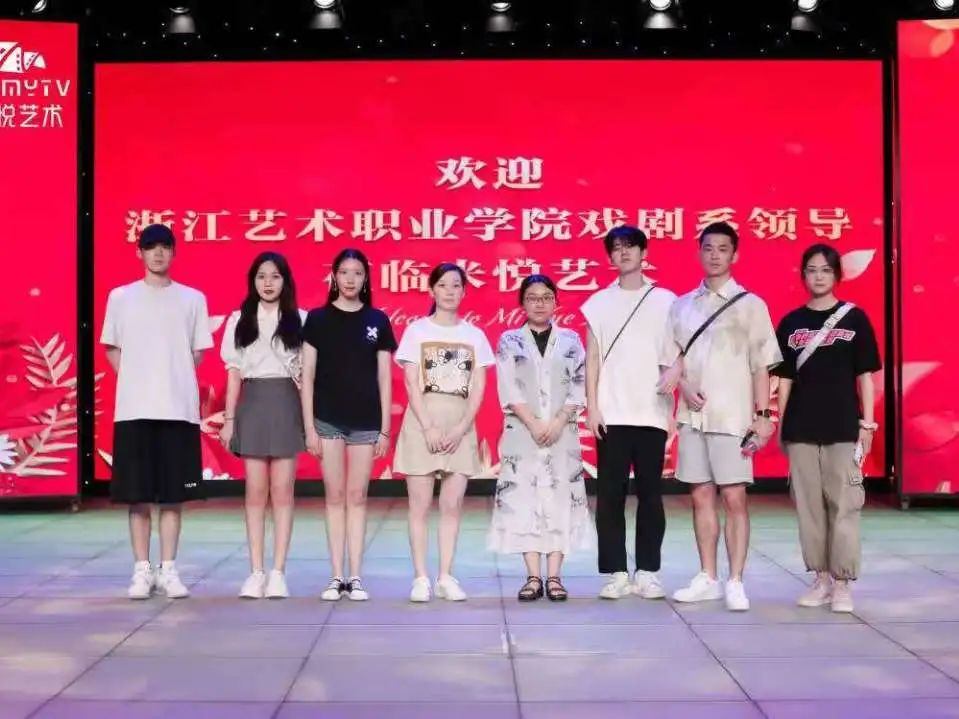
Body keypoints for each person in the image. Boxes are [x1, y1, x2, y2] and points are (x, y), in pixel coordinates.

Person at [667, 221, 782, 612]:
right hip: (693, 417)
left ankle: (735, 580)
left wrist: (763, 415)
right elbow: (672, 360)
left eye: (722, 249)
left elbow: (762, 364)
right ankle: (708, 576)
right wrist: (683, 387)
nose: (714, 255)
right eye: (708, 248)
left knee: (734, 497)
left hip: (733, 418)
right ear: (699, 252)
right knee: (700, 496)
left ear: (735, 254)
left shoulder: (751, 305)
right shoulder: (682, 305)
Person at [100, 223, 213, 600]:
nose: (158, 253)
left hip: (178, 410)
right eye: (151, 247)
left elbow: (197, 352)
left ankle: (168, 569)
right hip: (134, 410)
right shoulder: (121, 297)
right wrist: (139, 378)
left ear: (174, 252)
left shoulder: (192, 299)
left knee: (172, 496)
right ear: (140, 253)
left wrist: (170, 377)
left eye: (165, 246)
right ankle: (141, 570)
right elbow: (112, 347)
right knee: (138, 496)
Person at [774, 243, 881, 613]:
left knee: (845, 504)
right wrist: (782, 423)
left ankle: (842, 582)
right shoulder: (791, 322)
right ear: (802, 275)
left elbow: (865, 376)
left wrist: (867, 424)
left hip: (843, 427)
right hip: (801, 428)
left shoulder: (855, 319)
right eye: (811, 270)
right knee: (809, 507)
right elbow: (784, 379)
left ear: (837, 275)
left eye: (825, 270)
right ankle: (820, 579)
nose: (818, 277)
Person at [580, 226, 678, 601]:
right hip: (612, 413)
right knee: (610, 497)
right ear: (610, 257)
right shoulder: (598, 303)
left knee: (651, 495)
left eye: (630, 247)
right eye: (617, 248)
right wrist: (593, 407)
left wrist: (675, 381)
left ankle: (648, 571)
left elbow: (678, 351)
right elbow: (592, 359)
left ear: (643, 253)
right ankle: (616, 572)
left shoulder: (666, 301)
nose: (624, 253)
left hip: (652, 412)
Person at [489, 275, 595, 602]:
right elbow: (508, 386)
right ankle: (533, 576)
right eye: (533, 297)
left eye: (546, 297)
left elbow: (580, 383)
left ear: (556, 302)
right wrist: (533, 423)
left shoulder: (571, 340)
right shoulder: (510, 341)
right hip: (523, 433)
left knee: (560, 498)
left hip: (562, 433)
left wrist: (559, 420)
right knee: (524, 499)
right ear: (522, 302)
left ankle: (556, 576)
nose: (540, 303)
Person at [394, 263, 494, 603]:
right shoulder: (416, 331)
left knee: (452, 505)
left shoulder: (474, 335)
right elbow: (411, 384)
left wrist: (461, 428)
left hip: (459, 427)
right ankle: (421, 577)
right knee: (419, 506)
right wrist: (428, 427)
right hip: (422, 425)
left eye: (456, 285)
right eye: (443, 285)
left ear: (464, 291)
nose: (450, 291)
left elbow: (479, 388)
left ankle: (446, 576)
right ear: (431, 290)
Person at [301, 248, 397, 602]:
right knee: (334, 496)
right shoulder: (317, 319)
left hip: (366, 421)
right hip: (327, 419)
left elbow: (384, 378)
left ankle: (355, 576)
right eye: (344, 272)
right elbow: (307, 376)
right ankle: (335, 576)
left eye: (357, 273)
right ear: (334, 276)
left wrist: (384, 429)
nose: (351, 279)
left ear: (365, 278)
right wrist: (309, 427)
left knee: (357, 497)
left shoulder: (377, 320)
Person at [219, 252, 306, 599]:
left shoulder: (300, 319)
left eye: (275, 276)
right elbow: (233, 374)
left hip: (286, 402)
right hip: (253, 403)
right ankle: (255, 571)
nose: (268, 283)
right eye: (261, 277)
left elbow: (308, 375)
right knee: (255, 492)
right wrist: (228, 420)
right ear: (252, 281)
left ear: (285, 281)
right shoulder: (239, 320)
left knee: (282, 491)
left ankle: (278, 572)